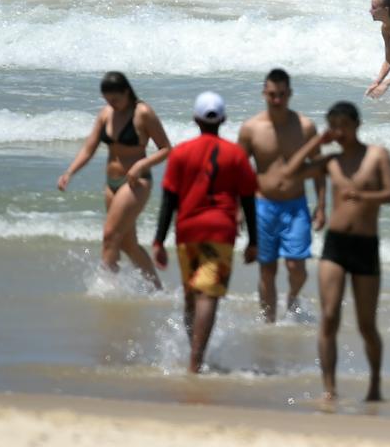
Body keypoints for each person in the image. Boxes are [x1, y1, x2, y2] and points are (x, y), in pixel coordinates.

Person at [281, 101, 390, 402]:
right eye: (334, 127)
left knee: (366, 325)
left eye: (344, 126)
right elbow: (291, 172)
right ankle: (329, 388)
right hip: (335, 245)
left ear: (357, 125)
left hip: (365, 245)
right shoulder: (330, 161)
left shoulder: (377, 155)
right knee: (329, 316)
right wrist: (316, 143)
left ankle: (374, 385)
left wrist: (362, 194)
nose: (339, 132)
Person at [151, 92, 259, 373]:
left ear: (195, 119)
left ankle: (194, 355)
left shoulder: (181, 153)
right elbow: (248, 199)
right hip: (221, 232)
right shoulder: (236, 155)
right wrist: (254, 241)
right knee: (208, 295)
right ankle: (196, 361)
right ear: (223, 120)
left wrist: (158, 240)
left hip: (187, 231)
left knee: (191, 294)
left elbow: (169, 199)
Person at [58, 72, 171, 289]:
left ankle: (106, 290)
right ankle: (156, 289)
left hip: (135, 184)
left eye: (116, 99)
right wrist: (69, 172)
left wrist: (141, 165)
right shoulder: (106, 114)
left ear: (127, 92)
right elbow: (89, 148)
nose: (112, 104)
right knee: (128, 244)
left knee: (110, 235)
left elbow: (166, 148)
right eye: (108, 100)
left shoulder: (143, 113)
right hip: (111, 183)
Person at [238, 69, 326, 323]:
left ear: (290, 94)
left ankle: (292, 298)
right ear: (264, 94)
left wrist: (321, 206)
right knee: (267, 269)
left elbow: (319, 168)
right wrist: (236, 210)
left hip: (296, 206)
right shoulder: (251, 129)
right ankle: (269, 322)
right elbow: (238, 172)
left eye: (282, 95)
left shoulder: (305, 127)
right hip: (262, 206)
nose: (277, 100)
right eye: (272, 94)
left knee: (296, 268)